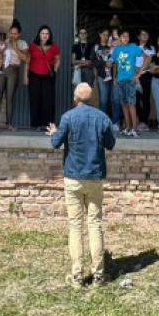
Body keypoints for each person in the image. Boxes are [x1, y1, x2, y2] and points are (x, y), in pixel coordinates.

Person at [47, 82, 117, 288]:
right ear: (92, 99)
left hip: (73, 177)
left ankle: (77, 276)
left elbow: (55, 143)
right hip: (94, 177)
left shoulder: (68, 117)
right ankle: (98, 275)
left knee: (75, 225)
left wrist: (53, 133)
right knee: (95, 224)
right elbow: (111, 144)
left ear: (75, 99)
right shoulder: (102, 117)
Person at [0, 21, 29, 129]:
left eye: (15, 33)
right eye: (11, 33)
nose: (13, 35)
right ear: (9, 33)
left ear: (19, 34)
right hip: (2, 70)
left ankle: (9, 124)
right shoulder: (4, 41)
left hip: (13, 70)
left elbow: (26, 58)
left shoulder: (23, 43)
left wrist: (15, 47)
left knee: (10, 98)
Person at [26, 24, 61, 130]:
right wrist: (25, 76)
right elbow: (27, 61)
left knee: (48, 100)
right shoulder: (32, 46)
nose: (45, 35)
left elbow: (58, 59)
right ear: (39, 35)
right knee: (35, 99)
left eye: (47, 34)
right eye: (43, 33)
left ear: (49, 35)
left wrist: (55, 70)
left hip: (48, 76)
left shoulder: (54, 46)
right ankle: (35, 124)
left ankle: (48, 125)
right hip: (34, 75)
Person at [111, 30, 144, 137]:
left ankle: (134, 128)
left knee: (131, 104)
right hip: (120, 80)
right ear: (120, 38)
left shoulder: (133, 47)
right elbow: (115, 63)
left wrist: (138, 74)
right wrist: (115, 77)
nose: (125, 38)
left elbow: (147, 57)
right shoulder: (117, 49)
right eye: (123, 36)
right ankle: (128, 127)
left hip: (130, 80)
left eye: (127, 36)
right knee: (124, 104)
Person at [134, 29, 156, 131]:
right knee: (136, 100)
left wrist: (140, 69)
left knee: (145, 99)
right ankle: (141, 120)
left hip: (145, 75)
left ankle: (144, 122)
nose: (145, 36)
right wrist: (136, 69)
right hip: (134, 75)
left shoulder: (151, 48)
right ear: (138, 36)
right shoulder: (133, 47)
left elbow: (150, 62)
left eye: (147, 34)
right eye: (143, 34)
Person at [94, 28, 115, 119]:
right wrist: (104, 63)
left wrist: (112, 63)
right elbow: (93, 61)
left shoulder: (112, 47)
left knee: (114, 100)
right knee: (103, 100)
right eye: (104, 34)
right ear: (100, 35)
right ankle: (102, 121)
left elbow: (118, 59)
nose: (105, 37)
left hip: (114, 76)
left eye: (107, 35)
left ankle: (115, 122)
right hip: (102, 76)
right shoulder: (96, 47)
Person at [71, 27, 97, 100]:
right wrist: (85, 62)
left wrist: (79, 63)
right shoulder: (75, 46)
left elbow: (92, 61)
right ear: (79, 35)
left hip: (88, 71)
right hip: (78, 71)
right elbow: (73, 61)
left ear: (87, 35)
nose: (82, 34)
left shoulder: (92, 46)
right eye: (81, 33)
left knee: (88, 92)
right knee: (78, 92)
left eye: (84, 33)